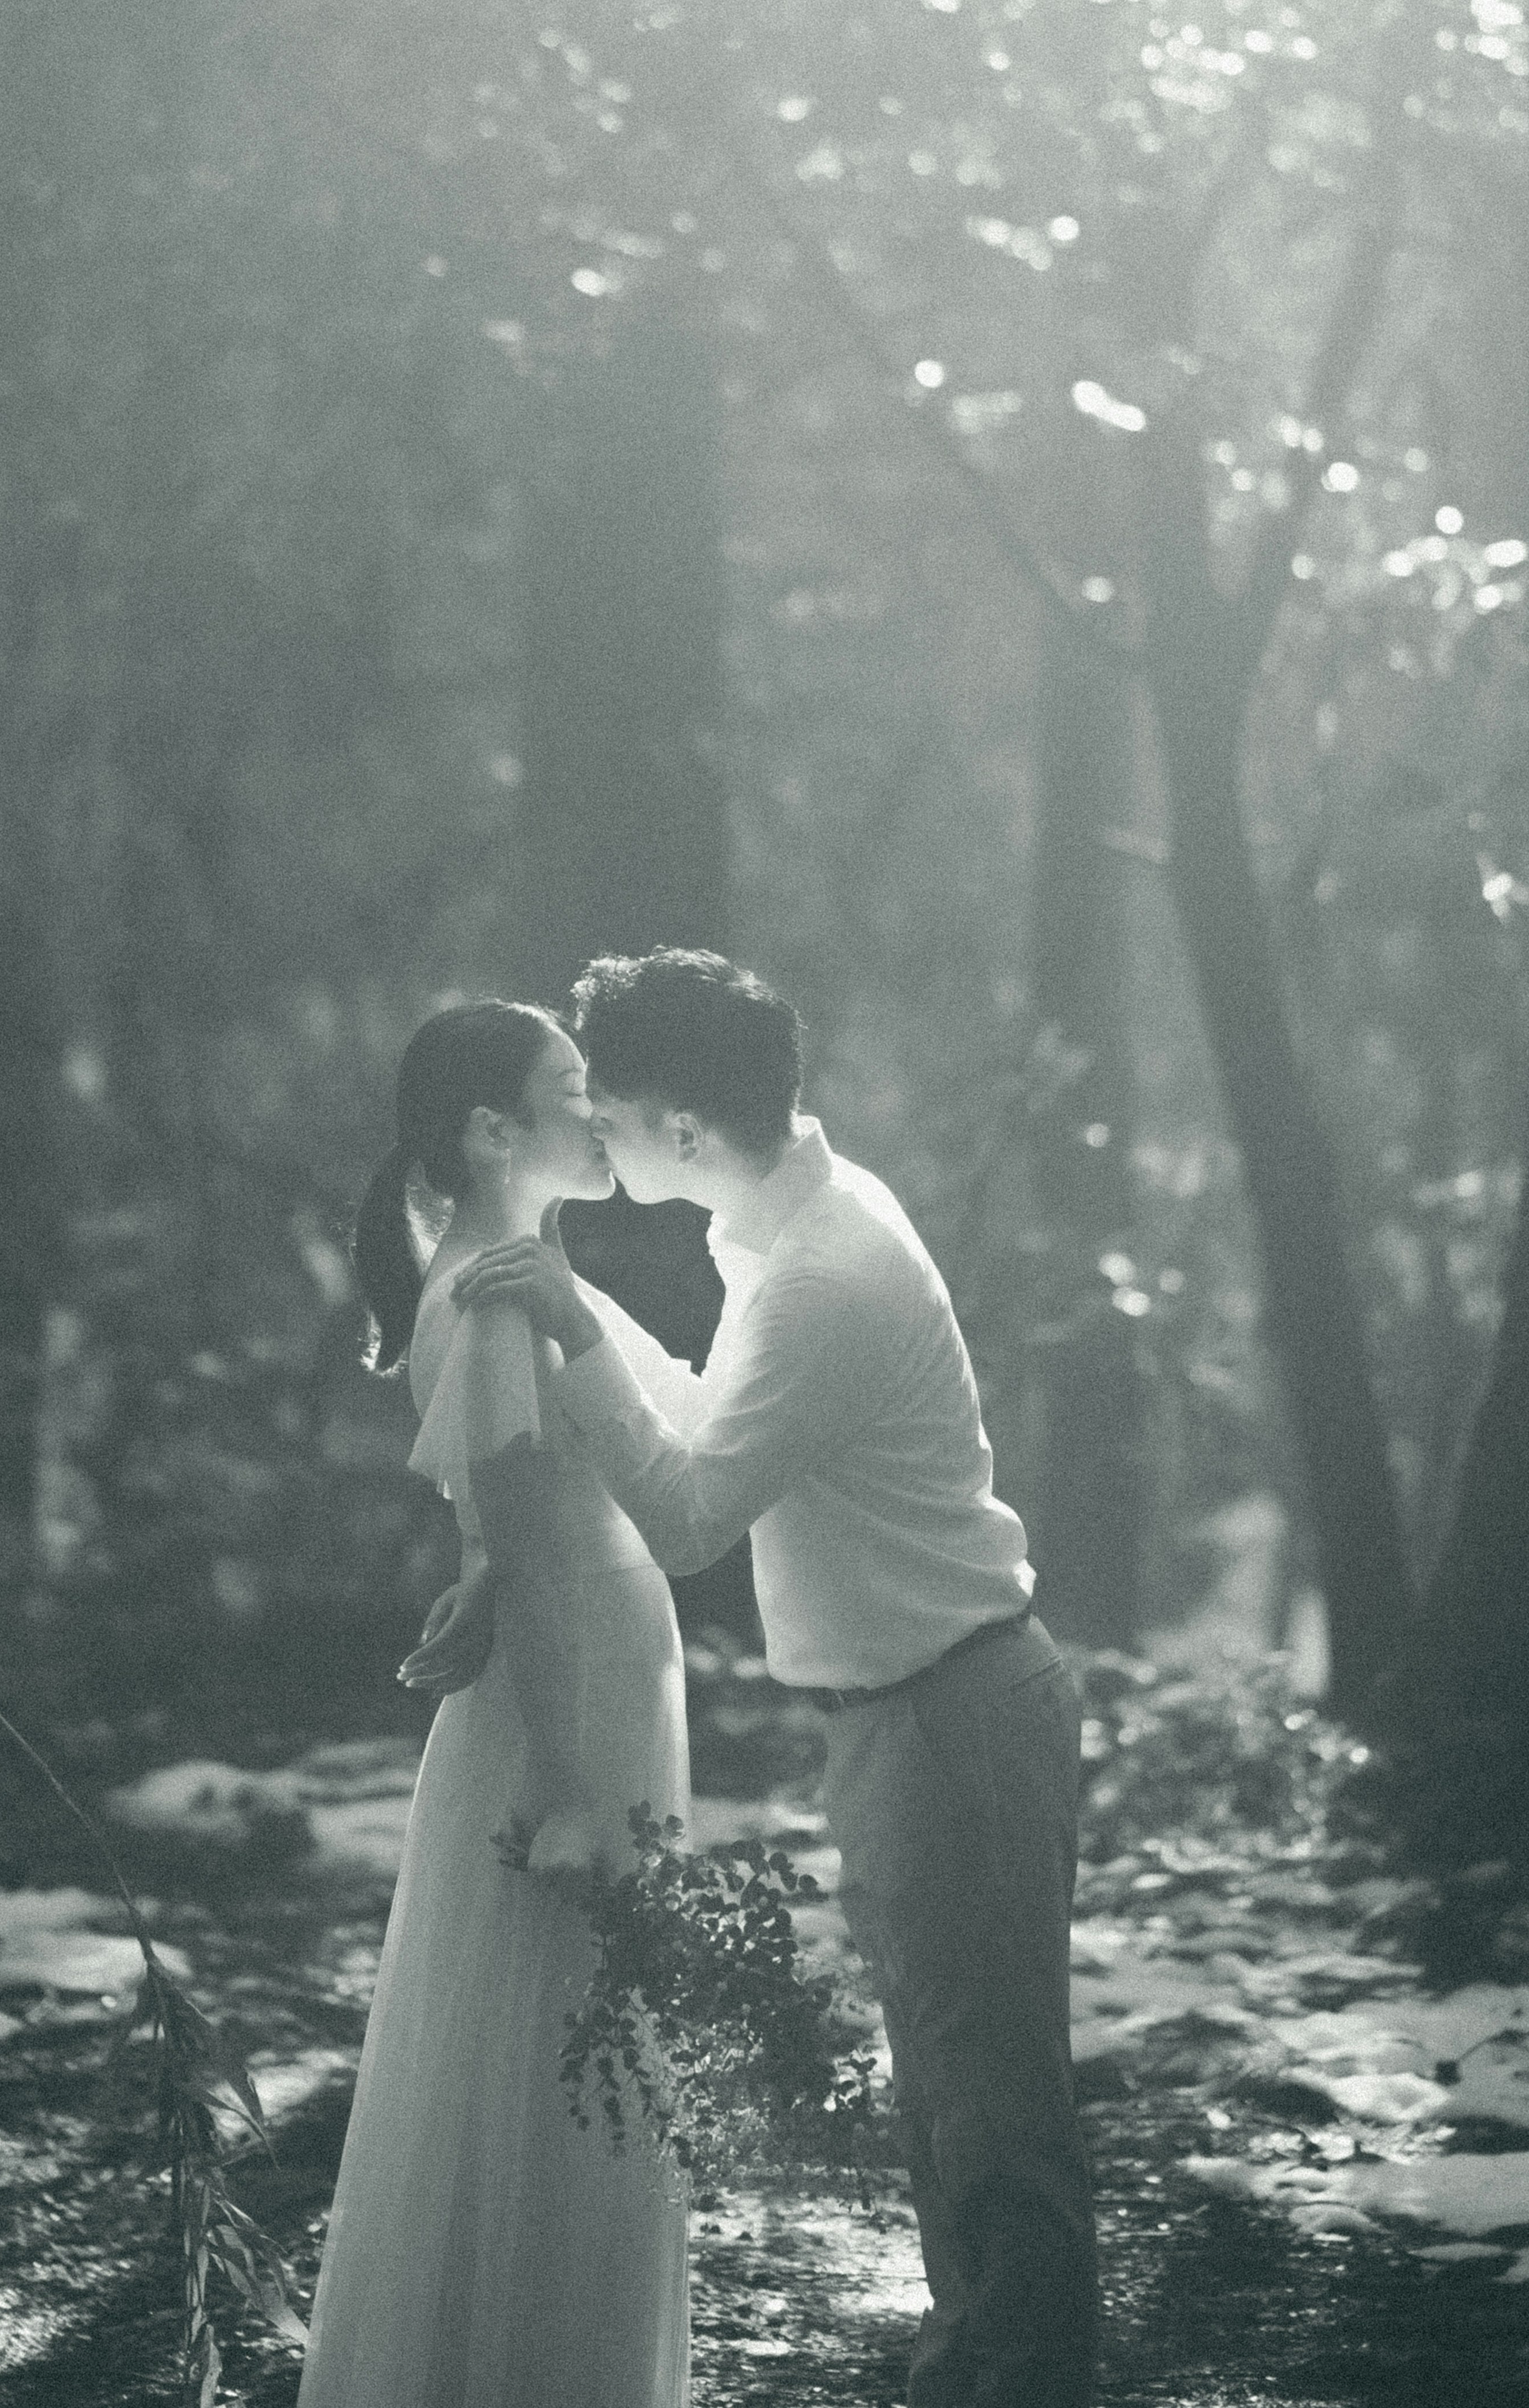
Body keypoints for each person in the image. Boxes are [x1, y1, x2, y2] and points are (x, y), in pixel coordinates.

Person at [451, 948, 1098, 2408]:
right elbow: (704, 1436)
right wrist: (583, 1312)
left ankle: (1014, 2379)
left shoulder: (822, 1272)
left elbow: (687, 1518)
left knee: (994, 2110)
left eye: (608, 1110)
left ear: (683, 1129)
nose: (596, 1134)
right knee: (952, 2095)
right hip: (916, 1711)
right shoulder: (782, 1227)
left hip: (953, 1713)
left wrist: (565, 1321)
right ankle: (975, 2374)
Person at [295, 999, 700, 2408]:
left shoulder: (500, 1274)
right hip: (570, 1705)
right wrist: (575, 1785)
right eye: (573, 1088)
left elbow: (511, 1526)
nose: (600, 1114)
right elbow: (529, 1547)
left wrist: (486, 1576)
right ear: (491, 1130)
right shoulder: (489, 1294)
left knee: (541, 2062)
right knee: (555, 2067)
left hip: (585, 1671)